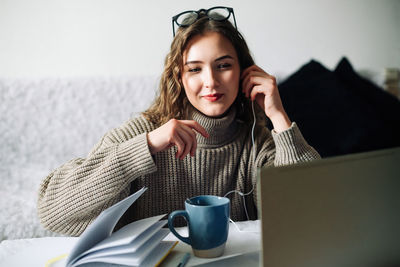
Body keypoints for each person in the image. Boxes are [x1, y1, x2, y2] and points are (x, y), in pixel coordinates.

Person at [37, 6, 320, 236]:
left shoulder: (256, 143)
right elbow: (52, 213)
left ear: (244, 72)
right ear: (179, 78)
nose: (211, 82)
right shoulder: (143, 134)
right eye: (194, 69)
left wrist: (279, 118)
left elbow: (310, 217)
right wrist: (146, 147)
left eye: (223, 65)